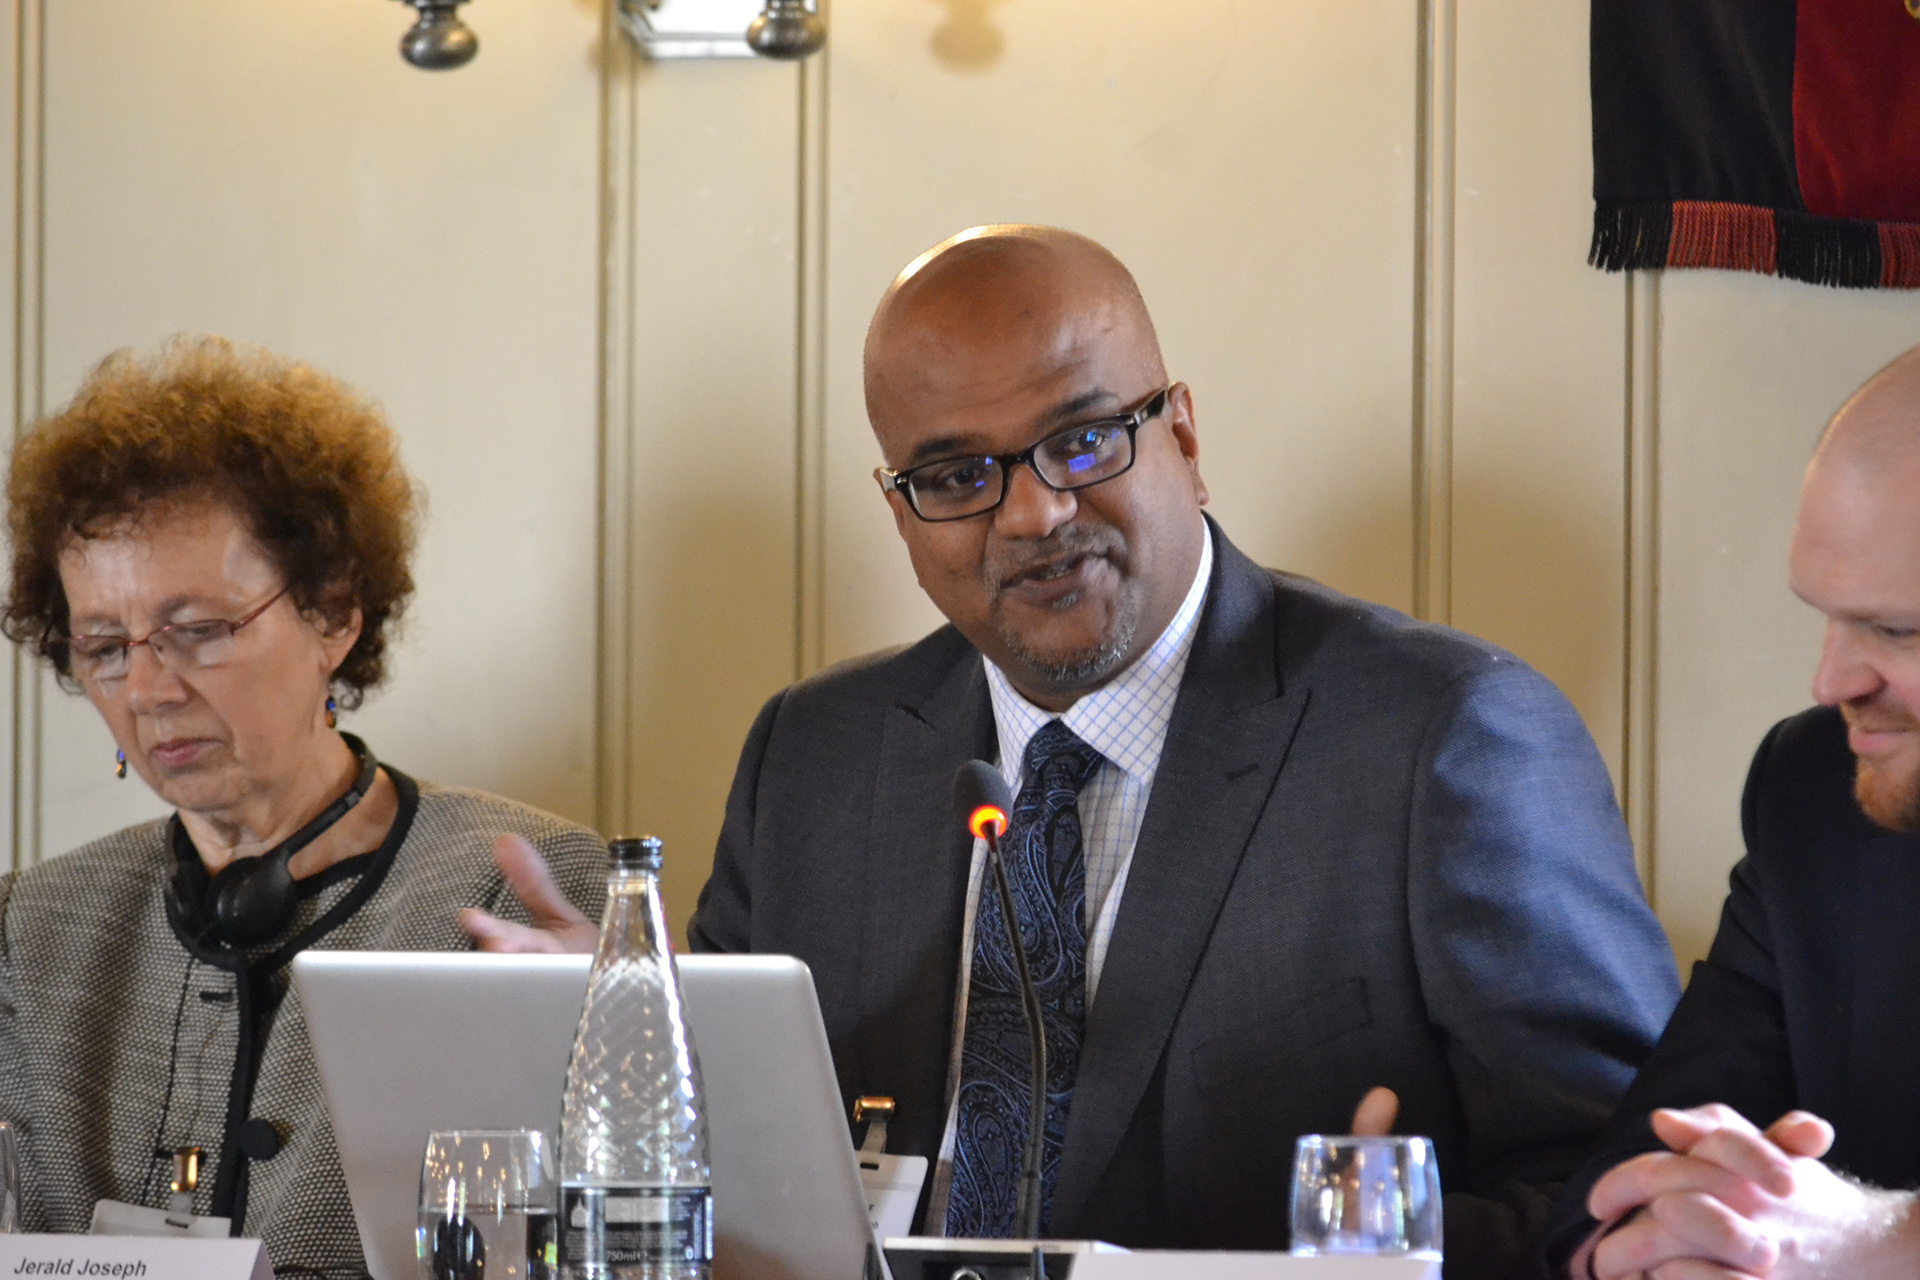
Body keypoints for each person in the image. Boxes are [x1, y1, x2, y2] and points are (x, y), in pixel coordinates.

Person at [473, 225, 1680, 1278]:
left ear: (1184, 434)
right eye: (958, 475)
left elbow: (1633, 1187)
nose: (1035, 512)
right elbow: (752, 1164)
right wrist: (643, 1044)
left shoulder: (1445, 735)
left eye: (1085, 440)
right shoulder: (817, 756)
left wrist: (1379, 1243)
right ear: (901, 512)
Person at [0, 338, 606, 1278]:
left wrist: (612, 1080)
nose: (148, 690)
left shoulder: (520, 890)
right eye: (106, 647)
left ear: (333, 615)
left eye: (197, 630)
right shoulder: (27, 929)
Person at [1548, 346, 1920, 1280]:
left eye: (1896, 630)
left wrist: (1882, 1244)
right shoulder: (1815, 792)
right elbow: (1630, 1174)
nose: (1830, 681)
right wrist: (1664, 1243)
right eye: (1826, 616)